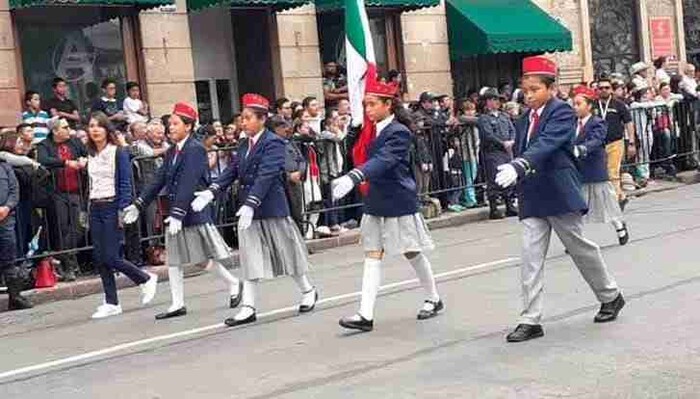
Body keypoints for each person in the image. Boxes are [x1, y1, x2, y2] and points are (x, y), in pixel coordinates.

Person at [495, 56, 624, 343]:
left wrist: (518, 166)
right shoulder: (522, 119)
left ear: (551, 88)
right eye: (525, 90)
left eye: (535, 89)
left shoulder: (562, 113)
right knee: (530, 258)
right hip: (532, 194)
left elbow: (547, 144)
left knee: (581, 249)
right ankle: (530, 319)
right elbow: (526, 148)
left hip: (558, 191)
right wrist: (513, 170)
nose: (528, 95)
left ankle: (610, 295)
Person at [190, 94, 317, 326]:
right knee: (249, 257)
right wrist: (212, 191)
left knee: (286, 253)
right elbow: (232, 171)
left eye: (248, 118)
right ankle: (248, 306)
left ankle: (308, 290)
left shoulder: (274, 142)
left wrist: (251, 203)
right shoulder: (244, 144)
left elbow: (267, 174)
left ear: (261, 119)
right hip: (248, 210)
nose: (243, 122)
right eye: (243, 118)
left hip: (270, 207)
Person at [332, 79, 443, 332]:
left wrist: (355, 176)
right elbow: (358, 153)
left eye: (372, 104)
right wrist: (354, 133)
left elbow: (384, 160)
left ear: (388, 104)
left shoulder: (399, 132)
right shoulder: (370, 130)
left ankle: (434, 298)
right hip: (375, 198)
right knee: (372, 254)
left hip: (397, 200)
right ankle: (365, 314)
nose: (368, 109)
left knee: (412, 251)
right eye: (365, 105)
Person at [122, 103, 242, 320]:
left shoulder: (195, 149)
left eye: (175, 124)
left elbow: (189, 182)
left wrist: (177, 213)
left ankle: (233, 283)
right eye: (170, 124)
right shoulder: (173, 150)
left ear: (188, 126)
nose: (171, 128)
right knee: (176, 258)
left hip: (192, 210)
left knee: (200, 258)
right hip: (178, 211)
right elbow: (158, 179)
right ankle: (178, 303)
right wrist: (139, 204)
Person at [84, 112, 158, 318]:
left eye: (99, 126)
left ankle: (144, 278)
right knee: (99, 257)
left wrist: (122, 209)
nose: (95, 130)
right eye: (91, 126)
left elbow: (125, 182)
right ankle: (111, 302)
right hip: (94, 206)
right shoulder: (90, 153)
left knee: (110, 255)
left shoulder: (119, 152)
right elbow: (90, 184)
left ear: (107, 130)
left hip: (112, 205)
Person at [571, 85, 629, 246]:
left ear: (589, 106)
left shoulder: (598, 123)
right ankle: (577, 240)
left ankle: (619, 226)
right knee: (577, 206)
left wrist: (582, 149)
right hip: (577, 170)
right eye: (574, 104)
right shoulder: (571, 123)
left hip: (595, 168)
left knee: (606, 202)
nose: (575, 107)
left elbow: (596, 140)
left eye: (579, 104)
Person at [36, 117, 88, 281]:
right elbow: (43, 160)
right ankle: (69, 265)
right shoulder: (45, 144)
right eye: (65, 127)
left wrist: (84, 160)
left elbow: (87, 153)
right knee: (62, 228)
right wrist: (66, 163)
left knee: (79, 227)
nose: (69, 130)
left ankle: (67, 259)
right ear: (55, 131)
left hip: (76, 191)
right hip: (57, 192)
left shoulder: (74, 142)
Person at [594, 77, 636, 209]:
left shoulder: (619, 105)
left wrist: (631, 142)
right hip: (598, 144)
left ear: (611, 90)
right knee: (601, 172)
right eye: (601, 88)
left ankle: (616, 199)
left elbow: (629, 123)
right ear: (597, 90)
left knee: (613, 172)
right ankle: (620, 197)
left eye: (607, 88)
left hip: (615, 142)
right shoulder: (593, 105)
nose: (604, 90)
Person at [477, 88, 517, 219]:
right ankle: (493, 209)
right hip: (493, 152)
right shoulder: (484, 118)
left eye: (497, 100)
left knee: (508, 178)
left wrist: (511, 140)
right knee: (494, 179)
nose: (497, 102)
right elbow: (488, 135)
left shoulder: (504, 116)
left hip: (506, 152)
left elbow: (512, 129)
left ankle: (509, 205)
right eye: (494, 99)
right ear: (487, 102)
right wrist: (502, 143)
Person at [0, 155, 33, 311]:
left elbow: (14, 191)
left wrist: (7, 207)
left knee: (9, 257)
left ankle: (15, 297)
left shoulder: (5, 167)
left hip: (6, 217)